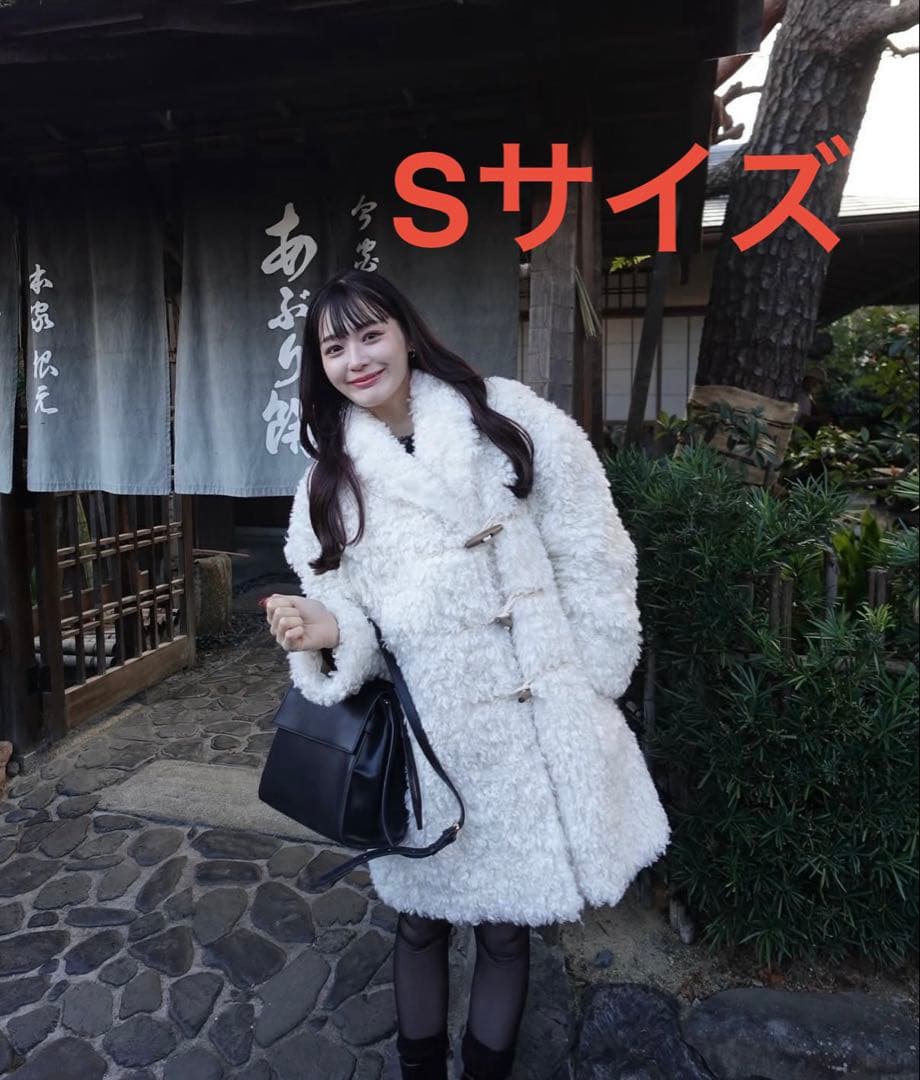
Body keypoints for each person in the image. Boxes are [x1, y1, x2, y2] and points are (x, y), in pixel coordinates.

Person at [265, 269, 670, 1080]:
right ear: (320, 365)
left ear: (407, 333)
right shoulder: (330, 479)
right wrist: (327, 628)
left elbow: (591, 547)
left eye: (370, 334)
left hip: (532, 722)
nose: (357, 359)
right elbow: (343, 600)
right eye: (335, 347)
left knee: (507, 928)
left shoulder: (508, 417)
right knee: (419, 919)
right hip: (429, 736)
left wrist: (592, 673)